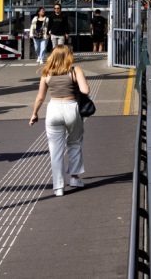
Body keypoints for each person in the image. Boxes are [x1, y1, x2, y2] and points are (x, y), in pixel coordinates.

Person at [28, 44, 87, 196]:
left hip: (53, 109)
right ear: (69, 56)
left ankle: (58, 187)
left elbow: (40, 97)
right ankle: (74, 178)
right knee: (74, 143)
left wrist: (34, 113)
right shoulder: (75, 70)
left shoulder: (46, 73)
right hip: (71, 108)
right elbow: (85, 90)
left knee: (55, 151)